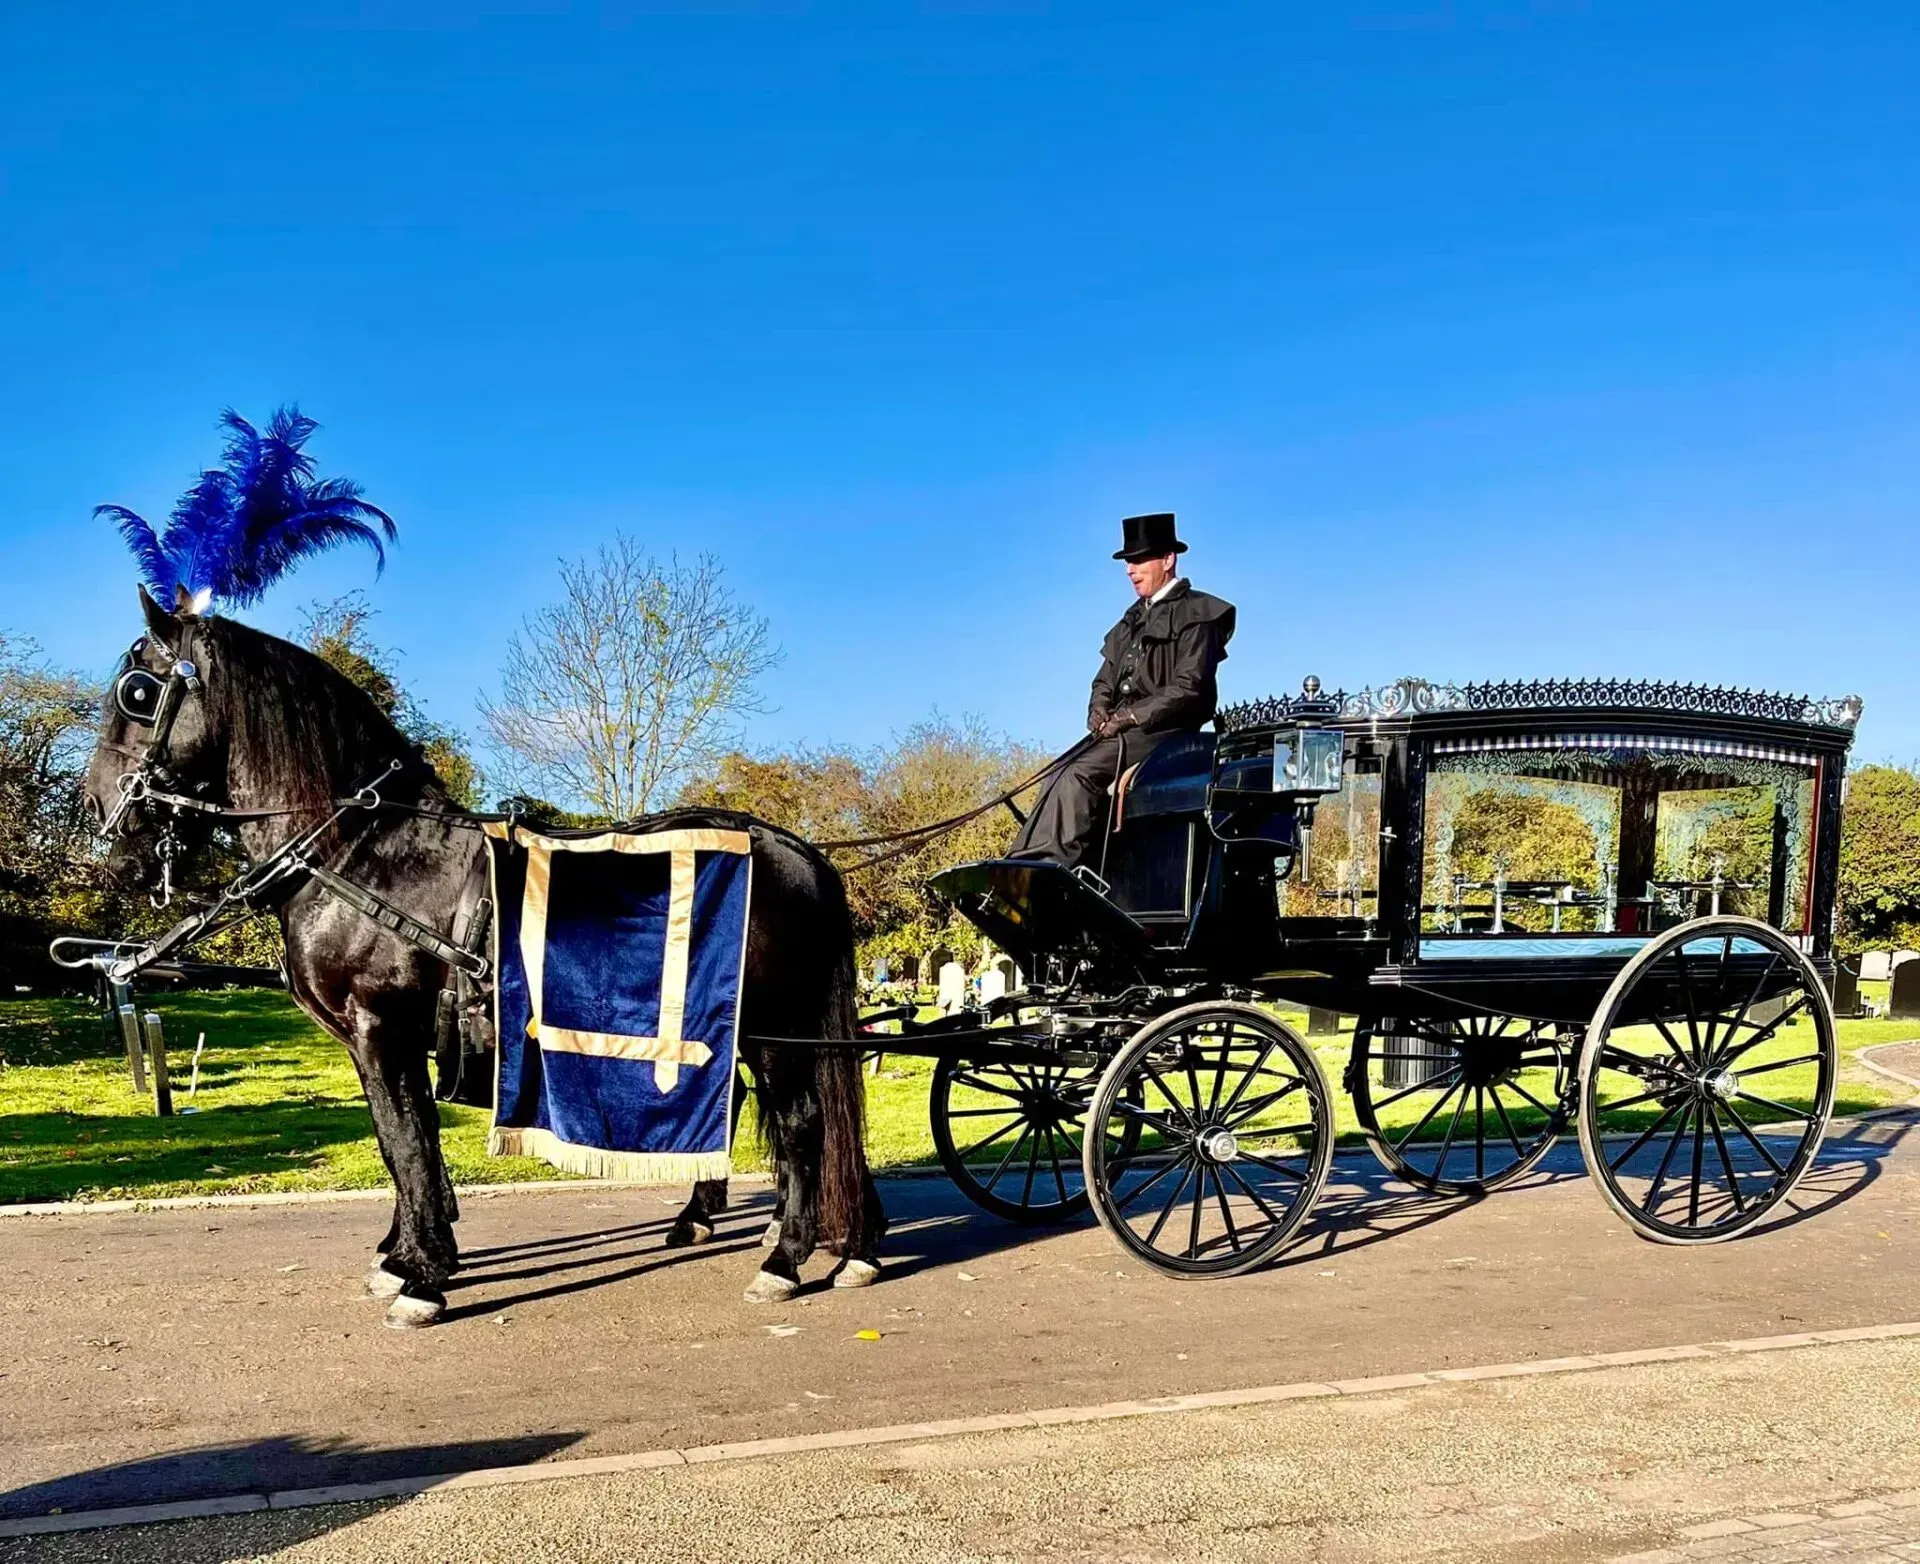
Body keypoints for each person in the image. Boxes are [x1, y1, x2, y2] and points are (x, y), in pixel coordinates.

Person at [1010, 512, 1235, 869]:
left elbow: (1189, 687)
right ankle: (1026, 862)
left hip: (1167, 731)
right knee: (1057, 772)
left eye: (1140, 560)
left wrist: (1130, 715)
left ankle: (1049, 867)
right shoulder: (1129, 621)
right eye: (1129, 562)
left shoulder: (1200, 613)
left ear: (1168, 559)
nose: (1131, 570)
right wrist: (1098, 709)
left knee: (1078, 775)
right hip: (1124, 731)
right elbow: (1104, 679)